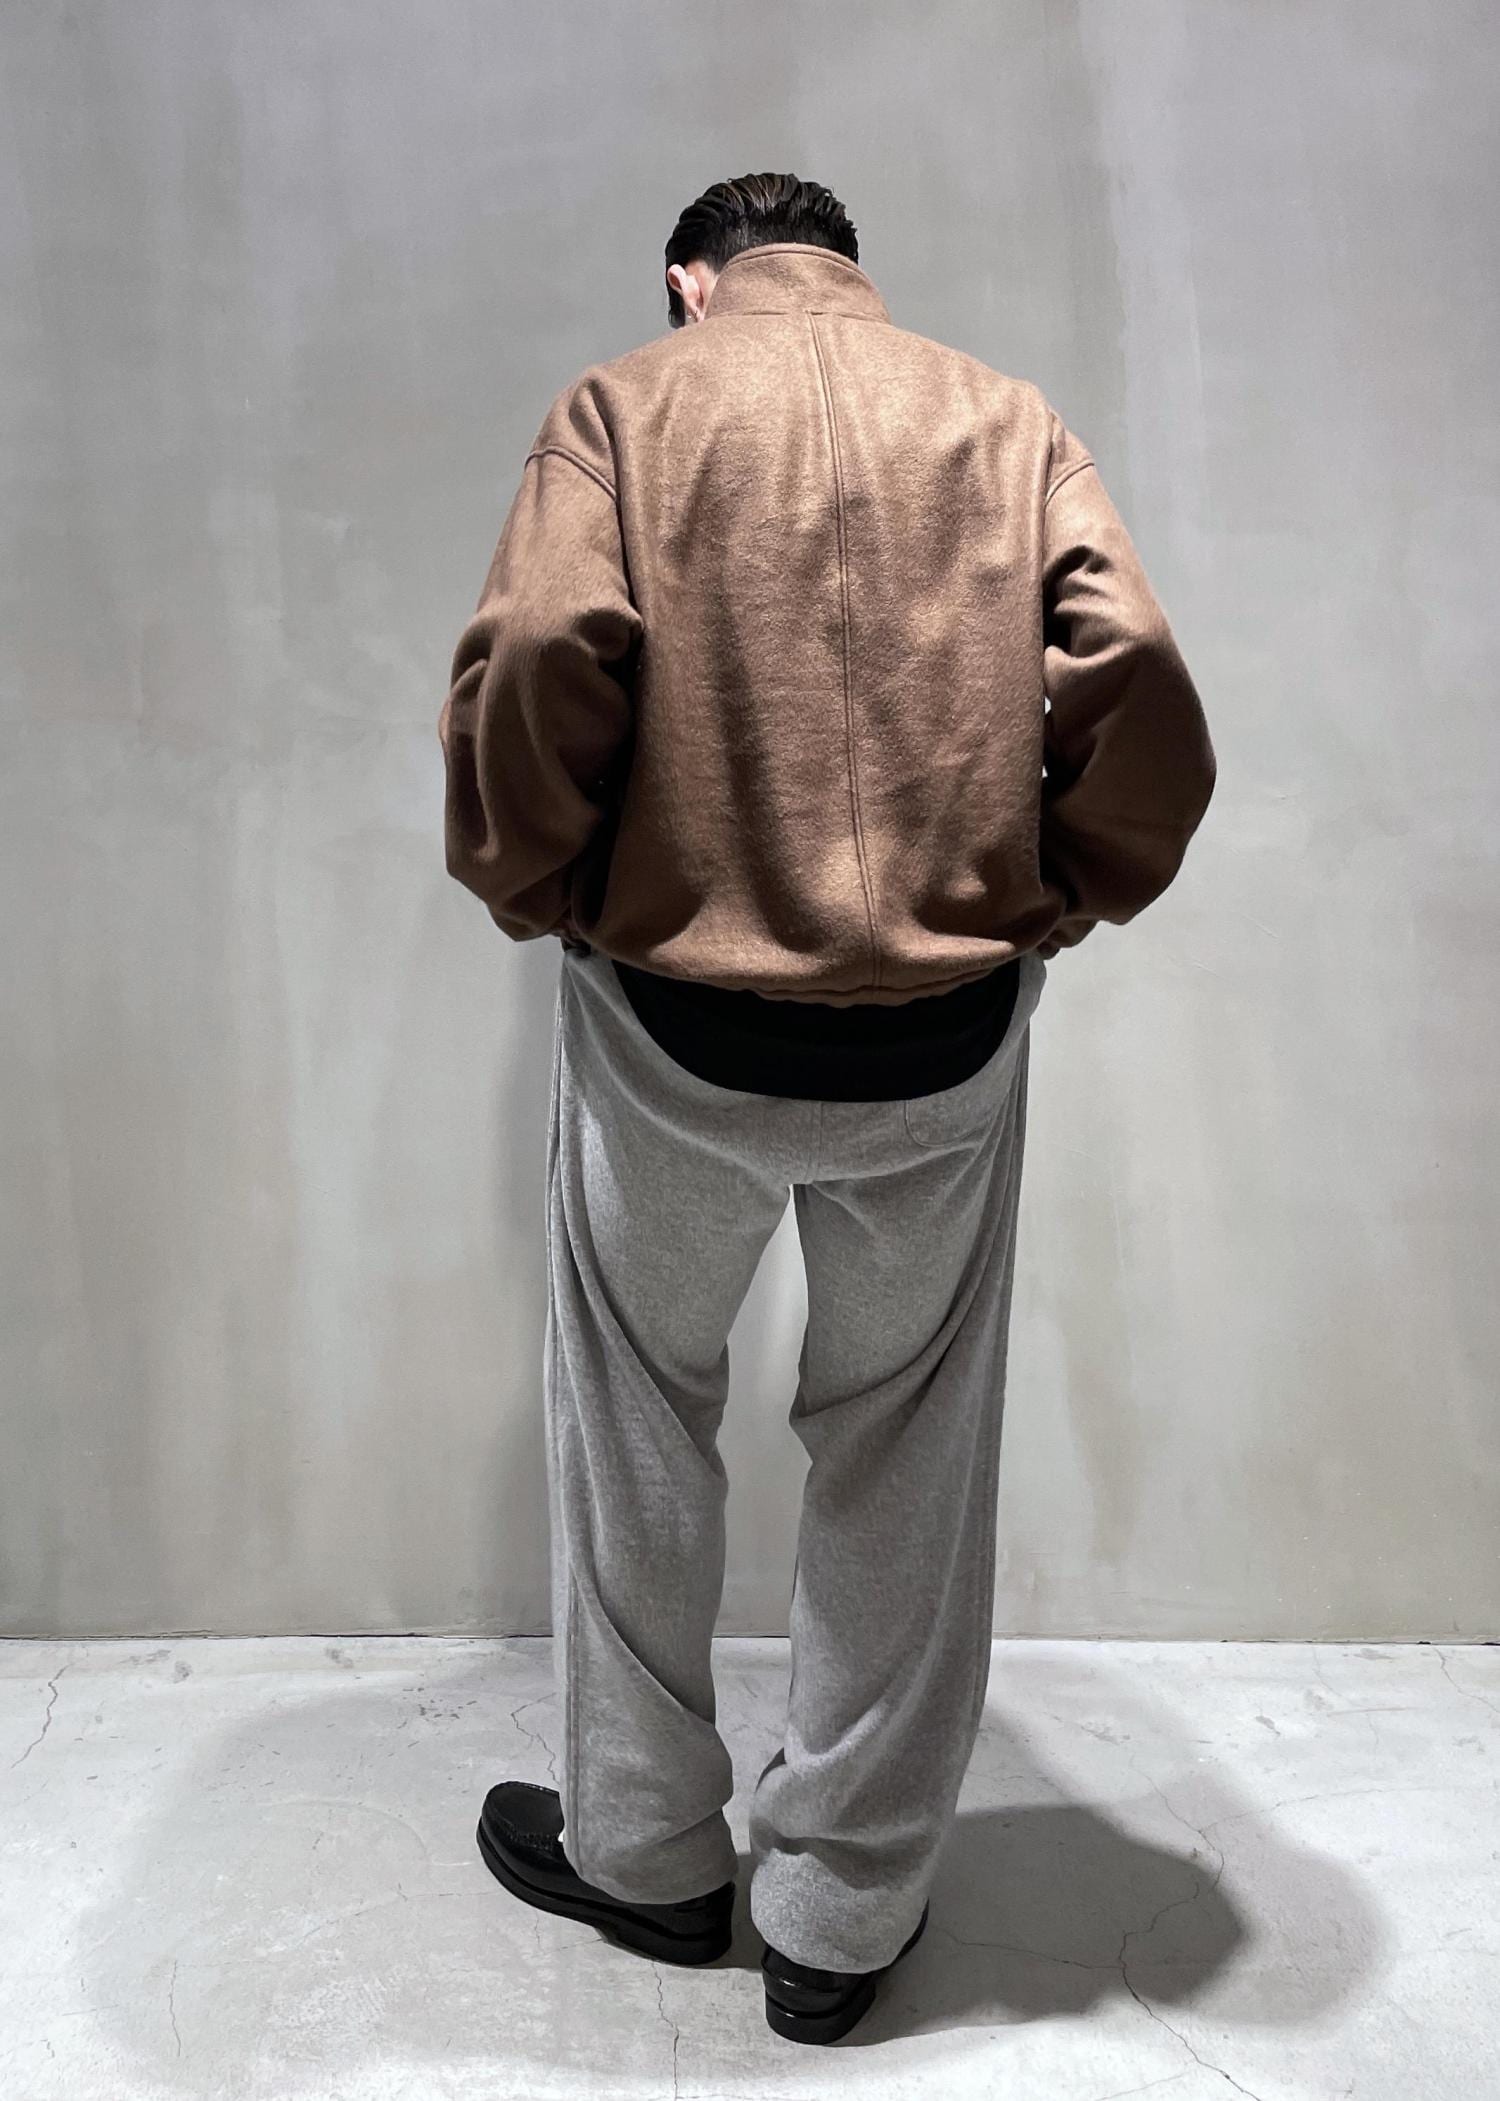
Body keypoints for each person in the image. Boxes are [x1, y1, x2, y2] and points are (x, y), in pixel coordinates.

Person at [437, 171, 1216, 2045]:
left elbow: (538, 651)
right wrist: (1061, 894)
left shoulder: (624, 406)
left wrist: (545, 885)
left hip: (673, 1031)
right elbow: (1134, 667)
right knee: (906, 1452)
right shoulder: (1004, 417)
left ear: (689, 281)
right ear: (845, 272)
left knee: (635, 1420)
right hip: (940, 1044)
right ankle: (839, 1914)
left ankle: (645, 1854)